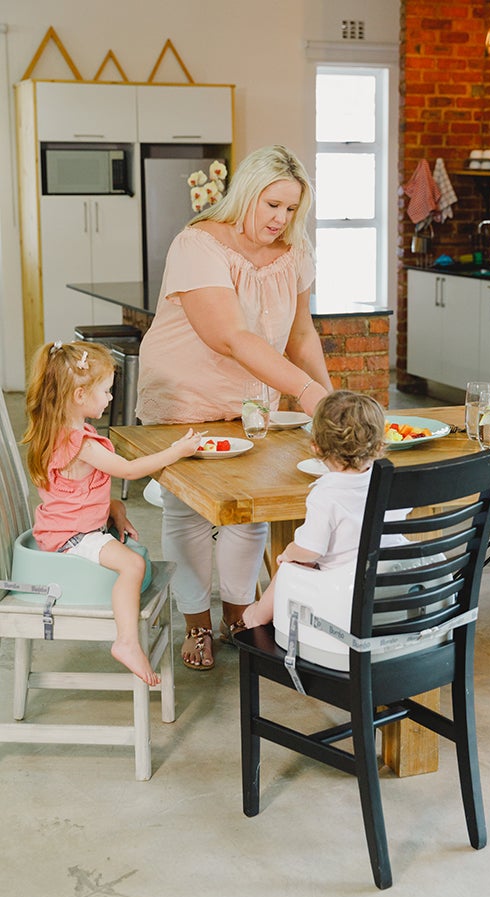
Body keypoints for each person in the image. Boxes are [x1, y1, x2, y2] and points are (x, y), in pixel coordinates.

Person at [136, 144, 333, 670]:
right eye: (271, 205)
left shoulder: (294, 251)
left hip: (247, 401)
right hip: (184, 397)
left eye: (291, 209)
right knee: (190, 515)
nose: (281, 219)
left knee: (250, 515)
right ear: (247, 193)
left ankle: (239, 617)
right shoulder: (197, 245)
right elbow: (228, 335)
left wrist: (330, 401)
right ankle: (196, 626)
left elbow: (301, 334)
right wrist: (308, 394)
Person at [23, 340, 203, 684]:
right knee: (133, 564)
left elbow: (75, 493)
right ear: (79, 395)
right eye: (105, 391)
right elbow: (130, 470)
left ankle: (128, 637)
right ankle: (126, 641)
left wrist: (113, 508)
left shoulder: (63, 433)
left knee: (121, 522)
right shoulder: (84, 445)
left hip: (62, 527)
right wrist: (176, 451)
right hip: (72, 538)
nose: (109, 398)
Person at [241, 390, 384, 630]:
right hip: (390, 586)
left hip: (345, 599)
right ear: (379, 445)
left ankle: (257, 618)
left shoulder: (326, 493)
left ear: (316, 447)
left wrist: (289, 552)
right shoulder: (388, 482)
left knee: (293, 565)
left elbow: (310, 550)